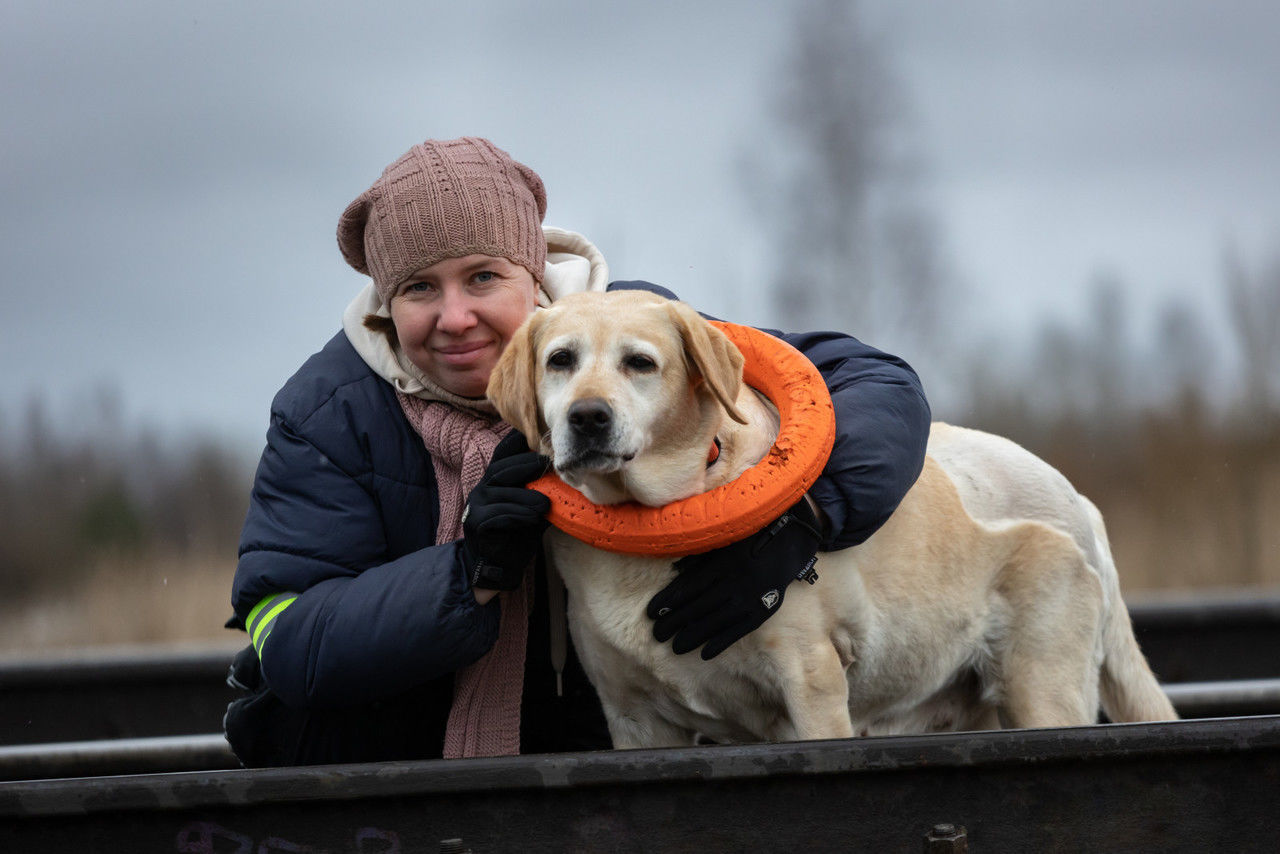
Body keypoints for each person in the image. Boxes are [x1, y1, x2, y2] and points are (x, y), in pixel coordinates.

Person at [223, 137, 931, 766]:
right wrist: (467, 572)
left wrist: (801, 519)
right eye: (418, 289)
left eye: (482, 277)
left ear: (532, 276)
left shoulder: (630, 329)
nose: (456, 317)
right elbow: (291, 643)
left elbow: (875, 382)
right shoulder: (328, 412)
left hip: (586, 744)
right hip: (387, 768)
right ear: (384, 304)